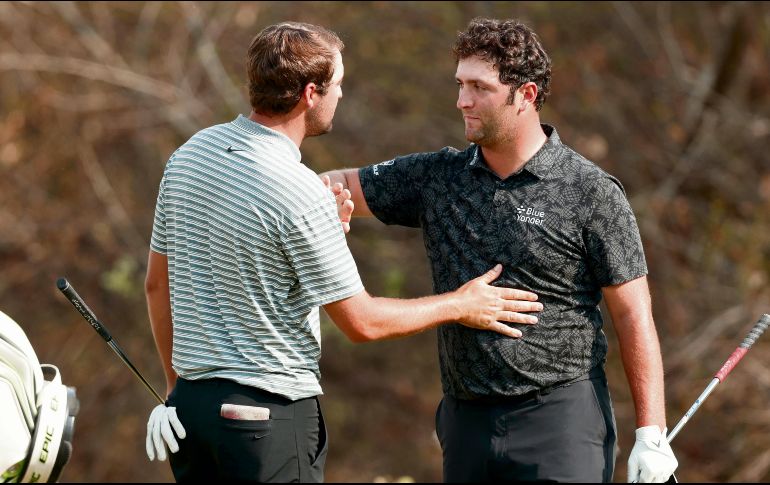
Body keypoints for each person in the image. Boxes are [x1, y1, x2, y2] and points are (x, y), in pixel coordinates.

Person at [142, 21, 543, 483]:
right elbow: (362, 323)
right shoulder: (300, 190)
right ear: (310, 93)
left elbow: (157, 284)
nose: (341, 96)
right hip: (267, 423)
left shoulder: (190, 155)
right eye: (337, 86)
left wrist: (177, 388)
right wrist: (461, 304)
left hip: (189, 416)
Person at [322, 17, 678, 484]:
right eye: (460, 84)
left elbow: (634, 314)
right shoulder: (437, 177)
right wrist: (329, 203)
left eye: (479, 87)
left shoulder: (591, 191)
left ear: (525, 95)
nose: (462, 100)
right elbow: (329, 185)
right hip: (464, 422)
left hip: (561, 420)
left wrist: (651, 432)